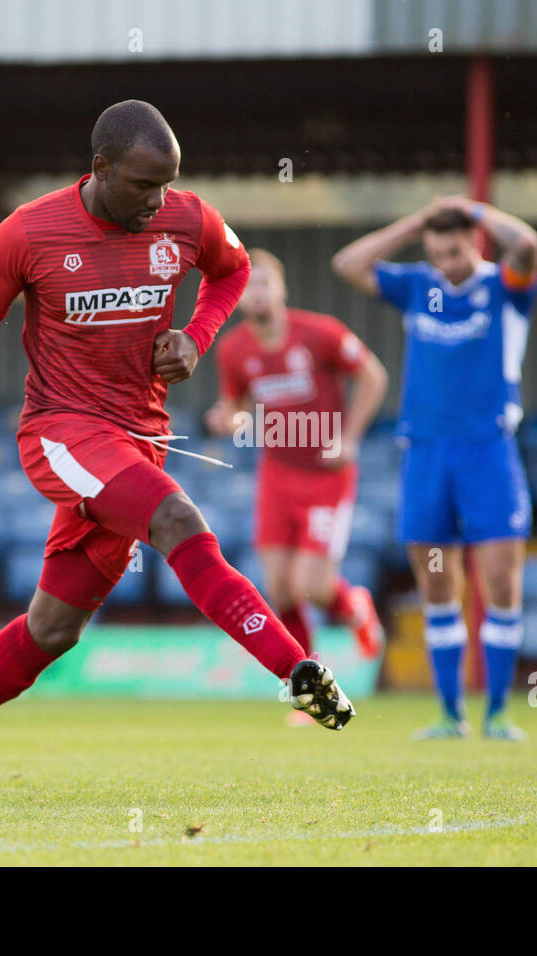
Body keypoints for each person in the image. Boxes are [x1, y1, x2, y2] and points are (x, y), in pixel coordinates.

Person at [0, 100, 354, 790]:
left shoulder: (186, 217)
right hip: (60, 433)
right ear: (101, 168)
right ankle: (295, 670)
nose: (159, 200)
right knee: (179, 520)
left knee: (52, 631)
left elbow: (231, 272)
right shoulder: (27, 234)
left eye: (168, 184)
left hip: (136, 444)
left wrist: (196, 337)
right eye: (144, 185)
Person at [332, 195, 537, 740]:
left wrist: (471, 209)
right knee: (436, 583)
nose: (446, 265)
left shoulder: (505, 287)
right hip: (425, 452)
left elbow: (528, 244)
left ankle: (497, 713)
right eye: (437, 254)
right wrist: (414, 223)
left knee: (500, 581)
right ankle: (452, 715)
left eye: (454, 252)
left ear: (473, 241)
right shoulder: (417, 286)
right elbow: (348, 265)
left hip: (487, 450)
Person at [206, 248, 389, 728]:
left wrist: (349, 438)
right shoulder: (235, 349)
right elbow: (237, 407)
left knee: (313, 585)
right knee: (280, 588)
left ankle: (355, 608)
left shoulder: (321, 333)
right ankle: (314, 689)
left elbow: (373, 375)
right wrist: (228, 419)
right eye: (249, 286)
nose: (257, 293)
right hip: (276, 476)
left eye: (265, 283)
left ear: (282, 290)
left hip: (327, 478)